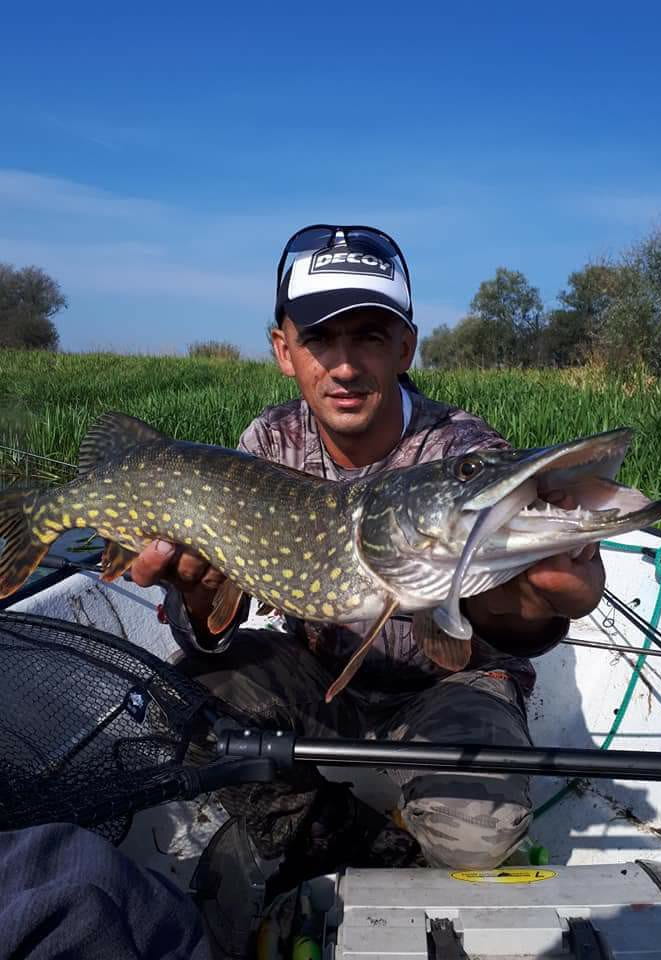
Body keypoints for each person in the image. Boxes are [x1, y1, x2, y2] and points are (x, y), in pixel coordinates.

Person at [130, 225, 604, 874]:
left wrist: (542, 605)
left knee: (478, 834)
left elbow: (498, 620)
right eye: (319, 338)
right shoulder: (268, 443)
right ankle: (364, 843)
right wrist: (193, 596)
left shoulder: (461, 452)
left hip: (449, 683)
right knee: (189, 709)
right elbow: (215, 623)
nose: (345, 365)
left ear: (405, 347)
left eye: (370, 337)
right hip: (319, 671)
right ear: (284, 350)